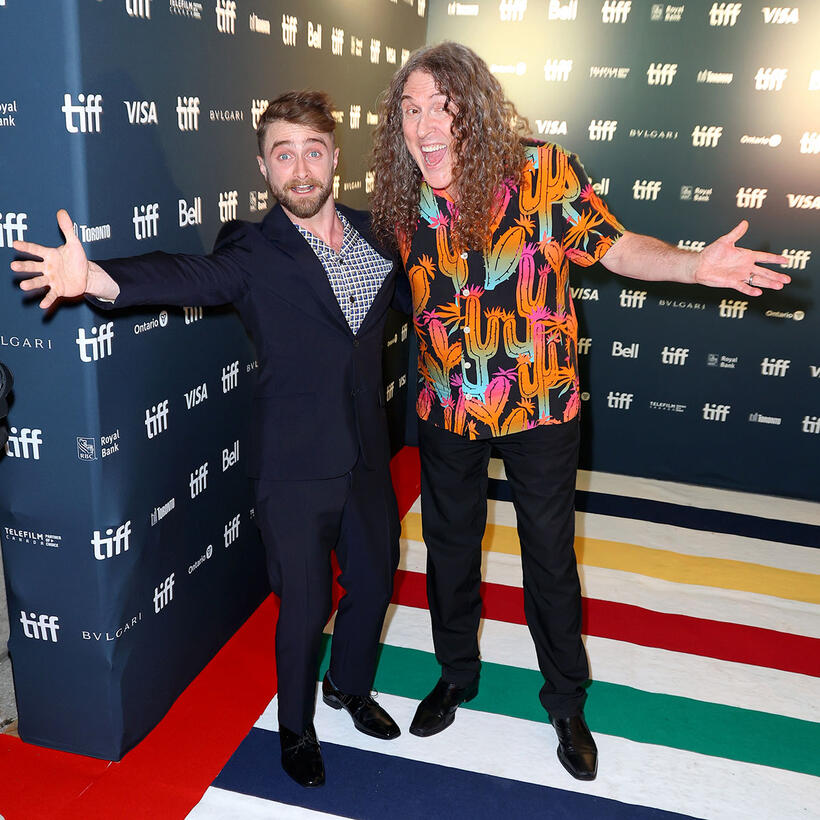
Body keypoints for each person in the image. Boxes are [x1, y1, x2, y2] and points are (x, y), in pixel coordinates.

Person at [370, 42, 790, 782]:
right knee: (449, 548)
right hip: (445, 405)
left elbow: (617, 248)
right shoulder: (404, 196)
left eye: (441, 106)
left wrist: (693, 265)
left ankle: (565, 701)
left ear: (475, 108)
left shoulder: (541, 171)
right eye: (410, 109)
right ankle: (456, 674)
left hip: (540, 404)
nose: (424, 125)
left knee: (549, 556)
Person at [11, 90, 408, 789]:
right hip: (293, 465)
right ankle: (296, 728)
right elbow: (187, 273)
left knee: (375, 584)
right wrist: (97, 278)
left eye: (313, 151)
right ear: (264, 167)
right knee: (305, 606)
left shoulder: (378, 235)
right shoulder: (252, 249)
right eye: (283, 154)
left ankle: (348, 686)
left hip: (369, 456)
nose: (301, 169)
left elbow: (426, 302)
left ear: (334, 157)